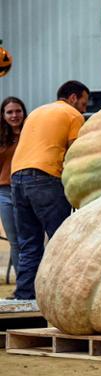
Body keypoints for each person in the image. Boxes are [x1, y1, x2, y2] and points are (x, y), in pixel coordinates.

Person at [11, 80, 89, 300]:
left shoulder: (37, 112)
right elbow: (76, 154)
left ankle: (25, 295)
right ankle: (62, 295)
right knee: (60, 240)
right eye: (83, 103)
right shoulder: (73, 115)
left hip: (17, 177)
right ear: (73, 98)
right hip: (45, 177)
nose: (83, 108)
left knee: (28, 243)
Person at [0, 97, 27, 298]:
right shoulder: (1, 137)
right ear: (3, 115)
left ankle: (33, 285)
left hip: (28, 189)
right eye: (9, 112)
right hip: (5, 192)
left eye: (18, 111)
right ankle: (23, 288)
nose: (14, 115)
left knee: (30, 240)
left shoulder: (30, 133)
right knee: (15, 242)